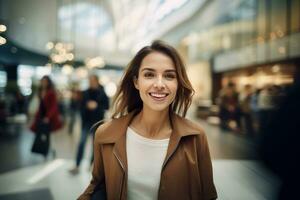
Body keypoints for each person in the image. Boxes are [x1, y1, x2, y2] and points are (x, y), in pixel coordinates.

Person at [78, 41, 217, 200]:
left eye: (169, 76)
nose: (159, 84)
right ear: (136, 81)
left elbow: (208, 196)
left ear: (178, 83)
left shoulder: (195, 137)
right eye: (149, 74)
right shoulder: (106, 134)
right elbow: (97, 186)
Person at [69, 75, 109, 174]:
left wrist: (96, 106)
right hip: (86, 122)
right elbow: (79, 106)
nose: (91, 82)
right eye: (89, 80)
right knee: (81, 143)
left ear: (97, 81)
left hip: (97, 123)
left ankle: (91, 166)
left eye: (92, 81)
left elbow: (106, 107)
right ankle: (77, 165)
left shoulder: (102, 93)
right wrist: (85, 105)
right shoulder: (85, 92)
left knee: (95, 146)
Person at [30, 76, 63, 158]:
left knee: (50, 136)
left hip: (50, 118)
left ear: (48, 82)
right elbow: (40, 105)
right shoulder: (40, 91)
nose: (44, 83)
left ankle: (52, 151)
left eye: (45, 81)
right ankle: (44, 150)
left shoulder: (51, 92)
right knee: (42, 134)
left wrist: (48, 117)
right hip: (41, 116)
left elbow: (53, 106)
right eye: (42, 81)